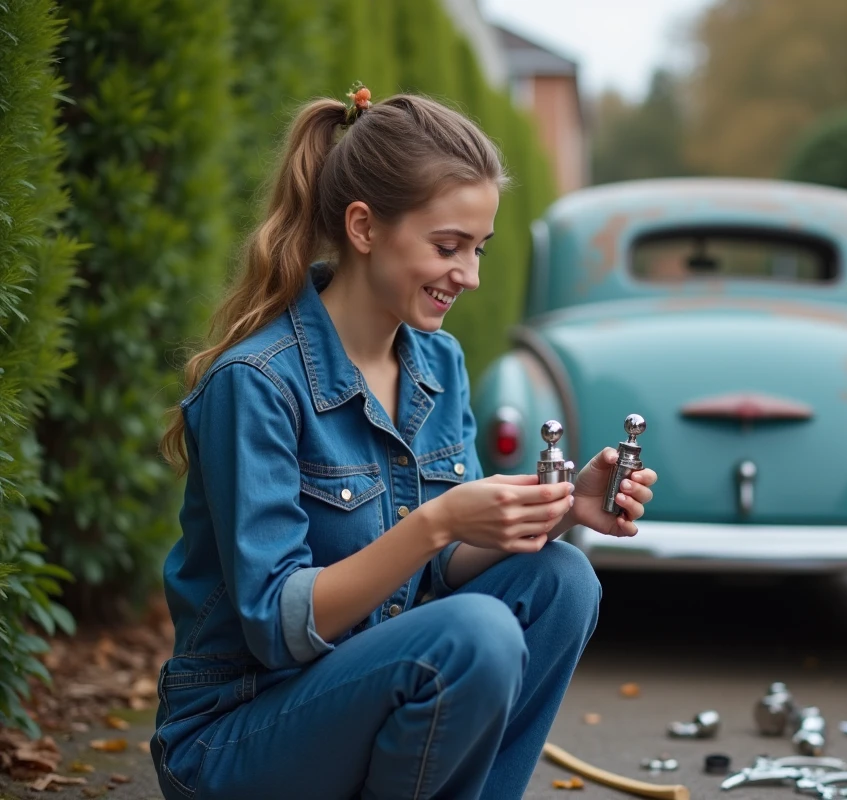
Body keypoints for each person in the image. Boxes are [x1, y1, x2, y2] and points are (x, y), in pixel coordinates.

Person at [152, 84, 657, 800]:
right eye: (448, 247)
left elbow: (443, 569)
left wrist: (564, 509)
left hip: (361, 701)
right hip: (236, 739)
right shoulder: (257, 383)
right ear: (363, 228)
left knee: (562, 582)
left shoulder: (436, 364)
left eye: (478, 249)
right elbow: (280, 628)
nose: (472, 276)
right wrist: (438, 521)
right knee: (476, 635)